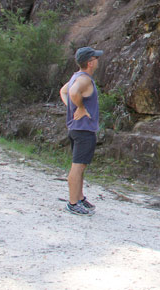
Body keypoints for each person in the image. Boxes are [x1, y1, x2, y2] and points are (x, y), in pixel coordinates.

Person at [59, 46, 103, 215]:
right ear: (90, 63)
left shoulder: (76, 76)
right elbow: (72, 92)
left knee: (81, 166)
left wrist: (73, 107)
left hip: (76, 129)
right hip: (83, 130)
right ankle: (73, 203)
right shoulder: (84, 80)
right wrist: (80, 107)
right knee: (77, 167)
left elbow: (63, 91)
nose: (98, 60)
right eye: (96, 58)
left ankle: (80, 197)